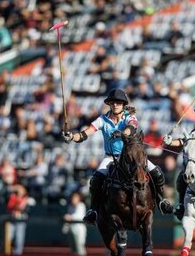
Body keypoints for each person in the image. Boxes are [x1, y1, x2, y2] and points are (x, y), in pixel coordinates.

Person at [62, 88, 174, 224]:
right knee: (96, 180)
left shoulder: (129, 117)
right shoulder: (102, 120)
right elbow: (85, 134)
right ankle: (94, 210)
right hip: (110, 157)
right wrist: (72, 136)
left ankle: (161, 201)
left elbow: (132, 127)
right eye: (113, 102)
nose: (116, 105)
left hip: (131, 157)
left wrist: (122, 133)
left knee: (156, 172)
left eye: (119, 103)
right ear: (109, 104)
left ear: (123, 105)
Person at [6, 184, 34, 255]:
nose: (20, 191)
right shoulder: (13, 197)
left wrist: (18, 206)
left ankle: (18, 252)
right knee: (9, 234)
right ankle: (7, 250)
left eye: (21, 189)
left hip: (21, 217)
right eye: (18, 189)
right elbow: (10, 206)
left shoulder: (27, 199)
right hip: (12, 217)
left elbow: (25, 209)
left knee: (19, 235)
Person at [63, 191, 87, 256]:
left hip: (80, 229)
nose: (73, 199)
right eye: (73, 198)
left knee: (80, 245)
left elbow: (80, 216)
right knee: (73, 247)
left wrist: (69, 217)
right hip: (71, 229)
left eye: (75, 198)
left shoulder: (81, 205)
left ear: (79, 198)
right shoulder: (70, 206)